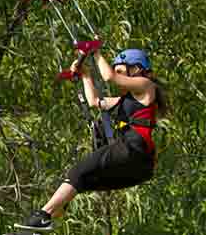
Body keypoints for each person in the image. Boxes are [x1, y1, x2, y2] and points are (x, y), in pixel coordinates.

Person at [14, 48, 166, 232]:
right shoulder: (122, 101)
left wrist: (95, 52)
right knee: (83, 179)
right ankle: (40, 225)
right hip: (138, 167)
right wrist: (85, 75)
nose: (117, 74)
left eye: (120, 70)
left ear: (136, 69)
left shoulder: (147, 86)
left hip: (135, 149)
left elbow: (108, 76)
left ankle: (42, 216)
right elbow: (94, 101)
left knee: (79, 170)